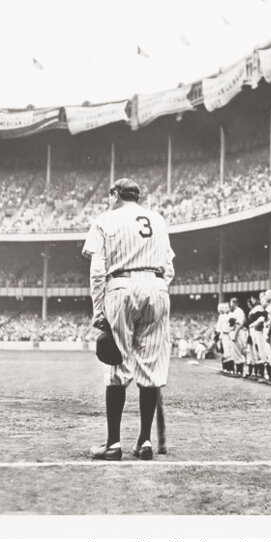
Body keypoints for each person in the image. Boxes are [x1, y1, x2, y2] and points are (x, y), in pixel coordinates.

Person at [83, 178, 175, 461]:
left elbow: (98, 270)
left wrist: (99, 310)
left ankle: (113, 445)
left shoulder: (105, 219)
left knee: (117, 368)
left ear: (115, 194)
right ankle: (144, 442)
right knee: (150, 370)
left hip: (121, 286)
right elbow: (169, 268)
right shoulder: (158, 220)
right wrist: (156, 289)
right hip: (157, 287)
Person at [227, 297, 247, 377]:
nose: (230, 305)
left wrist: (235, 334)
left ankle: (240, 371)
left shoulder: (239, 311)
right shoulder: (233, 312)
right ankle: (237, 371)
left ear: (234, 303)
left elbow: (240, 324)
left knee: (238, 352)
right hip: (233, 331)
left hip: (238, 332)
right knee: (234, 352)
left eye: (231, 303)